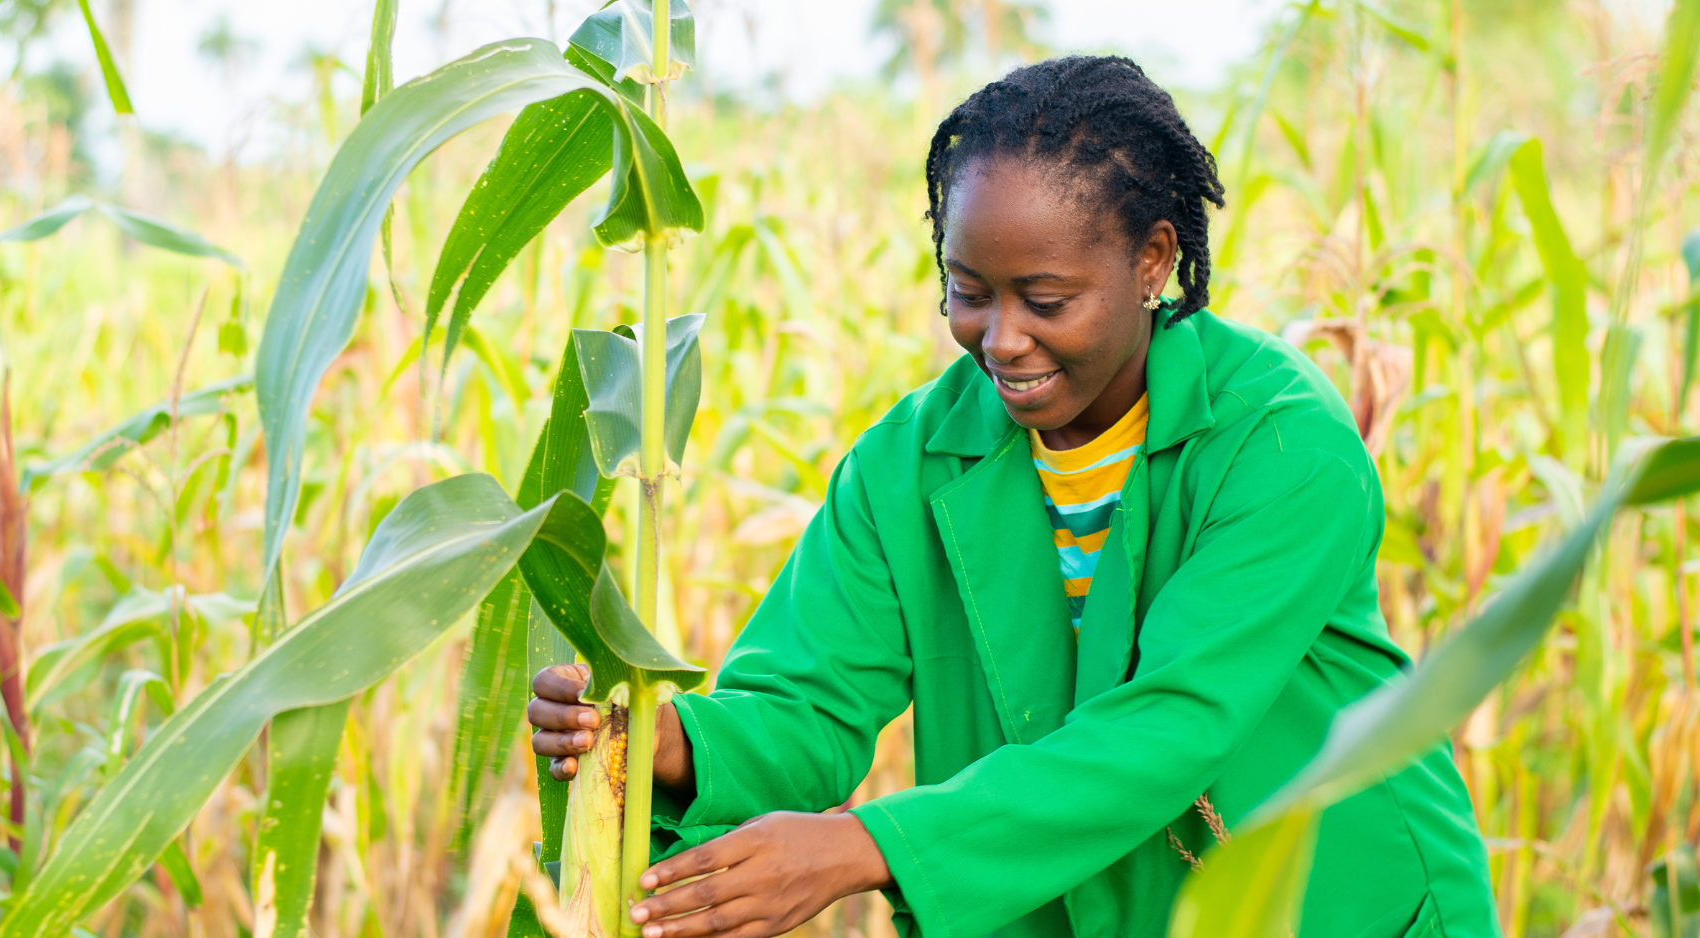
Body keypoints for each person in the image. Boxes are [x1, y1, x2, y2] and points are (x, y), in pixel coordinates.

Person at [528, 55, 1499, 938]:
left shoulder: (1280, 440)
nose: (998, 339)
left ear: (1152, 261)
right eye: (966, 291)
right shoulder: (905, 463)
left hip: (1335, 900)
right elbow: (806, 701)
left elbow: (1168, 725)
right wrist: (670, 739)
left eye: (1043, 300)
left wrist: (862, 847)